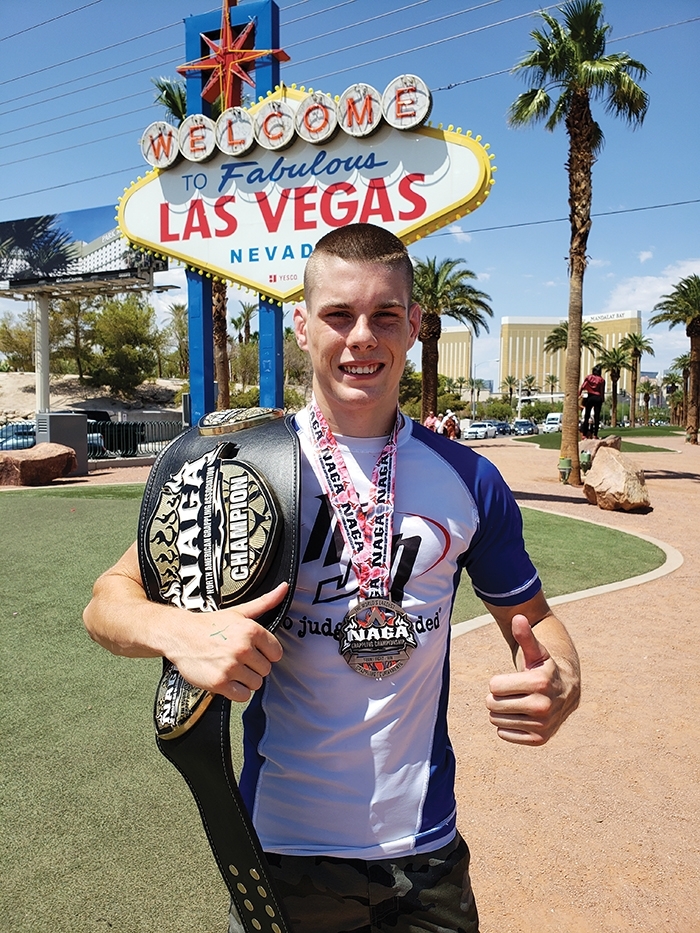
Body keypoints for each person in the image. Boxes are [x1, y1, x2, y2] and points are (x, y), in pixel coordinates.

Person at [83, 223, 580, 933]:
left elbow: (537, 618)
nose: (361, 339)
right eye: (339, 315)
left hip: (426, 853)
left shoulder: (470, 479)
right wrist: (179, 631)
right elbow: (107, 602)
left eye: (384, 316)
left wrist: (563, 674)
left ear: (414, 324)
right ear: (303, 323)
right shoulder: (238, 466)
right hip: (281, 853)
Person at [580, 364, 606, 438]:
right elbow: (602, 391)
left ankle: (584, 434)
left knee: (587, 416)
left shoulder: (589, 377)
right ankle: (595, 435)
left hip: (590, 396)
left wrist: (579, 394)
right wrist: (602, 399)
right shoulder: (602, 380)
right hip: (598, 397)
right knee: (597, 417)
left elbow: (582, 386)